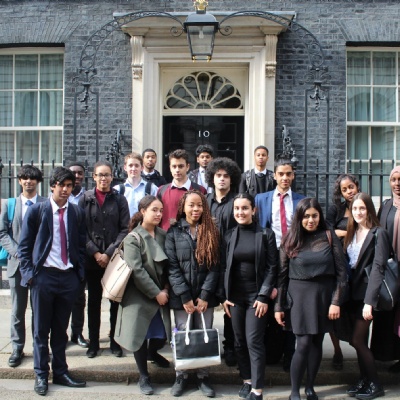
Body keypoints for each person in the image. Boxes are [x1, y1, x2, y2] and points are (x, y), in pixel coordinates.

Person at [18, 167, 87, 396]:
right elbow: (25, 247)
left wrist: (79, 275)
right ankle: (40, 374)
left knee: (60, 330)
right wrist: (30, 276)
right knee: (40, 329)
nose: (66, 190)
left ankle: (60, 371)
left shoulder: (76, 212)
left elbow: (80, 244)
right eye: (62, 185)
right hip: (44, 277)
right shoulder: (38, 210)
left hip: (67, 278)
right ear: (52, 186)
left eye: (69, 186)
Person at [275, 198, 347, 400]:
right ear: (299, 217)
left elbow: (342, 274)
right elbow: (281, 277)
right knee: (304, 343)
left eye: (315, 215)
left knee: (317, 343)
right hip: (298, 296)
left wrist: (335, 301)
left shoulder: (328, 236)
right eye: (306, 216)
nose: (311, 220)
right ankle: (294, 391)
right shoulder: (289, 240)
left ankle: (310, 387)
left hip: (323, 297)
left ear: (320, 216)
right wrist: (278, 305)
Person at [220, 193, 278, 400]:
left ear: (254, 210)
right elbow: (223, 267)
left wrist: (263, 296)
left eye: (245, 208)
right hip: (235, 297)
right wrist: (223, 296)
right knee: (238, 341)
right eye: (237, 208)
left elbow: (273, 267)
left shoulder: (265, 234)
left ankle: (257, 389)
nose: (240, 212)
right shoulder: (228, 235)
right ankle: (246, 380)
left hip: (256, 297)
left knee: (254, 340)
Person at [165, 190, 220, 398]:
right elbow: (172, 267)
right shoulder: (173, 232)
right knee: (182, 334)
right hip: (183, 298)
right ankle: (182, 376)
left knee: (203, 335)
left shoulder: (212, 231)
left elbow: (216, 266)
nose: (195, 209)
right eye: (191, 205)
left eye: (199, 205)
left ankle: (203, 377)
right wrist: (185, 297)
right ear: (183, 207)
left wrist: (205, 295)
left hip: (205, 296)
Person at [114, 195, 171, 395]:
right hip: (139, 294)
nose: (158, 214)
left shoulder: (164, 235)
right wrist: (156, 293)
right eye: (154, 210)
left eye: (161, 210)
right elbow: (136, 270)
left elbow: (169, 267)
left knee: (161, 335)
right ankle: (143, 376)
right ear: (143, 211)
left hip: (160, 293)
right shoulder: (133, 238)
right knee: (140, 335)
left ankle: (152, 353)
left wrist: (165, 289)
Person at [255, 158, 305, 371]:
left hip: (293, 255)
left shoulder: (302, 200)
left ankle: (289, 352)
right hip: (270, 255)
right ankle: (271, 349)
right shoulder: (261, 199)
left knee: (290, 301)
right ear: (274, 175)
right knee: (270, 298)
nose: (285, 178)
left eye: (289, 174)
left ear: (293, 176)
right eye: (281, 174)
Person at [79, 161, 130, 359]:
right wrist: (94, 252)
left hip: (114, 259)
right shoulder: (85, 199)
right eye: (100, 175)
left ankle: (115, 341)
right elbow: (80, 230)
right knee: (93, 303)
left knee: (115, 303)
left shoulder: (119, 199)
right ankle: (93, 343)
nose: (104, 178)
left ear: (112, 177)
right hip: (92, 261)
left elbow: (125, 229)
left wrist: (108, 252)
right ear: (94, 177)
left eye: (107, 175)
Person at [343, 192, 389, 400]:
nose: (358, 212)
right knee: (357, 342)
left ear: (369, 209)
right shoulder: (352, 231)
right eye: (355, 209)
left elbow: (378, 268)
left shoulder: (379, 233)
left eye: (362, 208)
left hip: (367, 296)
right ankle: (364, 379)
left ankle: (375, 384)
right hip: (352, 294)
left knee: (358, 340)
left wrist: (369, 303)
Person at [0, 165, 46, 368]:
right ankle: (17, 347)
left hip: (40, 266)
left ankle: (39, 346)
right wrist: (17, 252)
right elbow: (2, 233)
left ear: (38, 181)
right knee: (18, 310)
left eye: (32, 178)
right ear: (19, 181)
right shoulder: (10, 204)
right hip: (17, 265)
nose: (28, 181)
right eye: (24, 178)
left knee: (40, 310)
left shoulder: (46, 204)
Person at [205, 157, 242, 367]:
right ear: (212, 177)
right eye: (218, 175)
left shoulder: (237, 202)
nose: (222, 179)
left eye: (226, 176)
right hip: (208, 262)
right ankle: (205, 345)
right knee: (207, 305)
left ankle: (230, 347)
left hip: (231, 261)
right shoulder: (205, 200)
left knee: (229, 306)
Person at [325, 174, 360, 370]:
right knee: (336, 308)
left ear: (357, 186)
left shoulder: (363, 204)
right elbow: (328, 233)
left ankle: (359, 347)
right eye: (345, 189)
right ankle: (337, 350)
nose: (349, 191)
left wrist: (342, 234)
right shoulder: (335, 209)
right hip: (339, 263)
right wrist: (349, 234)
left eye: (351, 187)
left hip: (359, 265)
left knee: (355, 310)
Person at [371, 166, 400, 372]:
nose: (397, 184)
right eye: (394, 180)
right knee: (389, 312)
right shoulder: (386, 206)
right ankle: (389, 355)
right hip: (391, 269)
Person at [66, 161, 89, 348]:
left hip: (81, 254)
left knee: (79, 298)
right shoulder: (61, 196)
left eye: (80, 173)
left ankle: (77, 332)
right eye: (74, 173)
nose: (77, 176)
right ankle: (61, 333)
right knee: (62, 299)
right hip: (61, 255)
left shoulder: (87, 197)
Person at [157, 149, 206, 231]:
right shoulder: (161, 190)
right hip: (165, 238)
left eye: (181, 166)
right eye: (174, 166)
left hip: (192, 239)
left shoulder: (200, 190)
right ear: (170, 168)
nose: (177, 170)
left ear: (187, 167)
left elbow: (205, 217)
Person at [115, 152, 158, 217]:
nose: (133, 168)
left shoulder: (152, 188)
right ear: (125, 168)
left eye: (136, 165)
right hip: (124, 226)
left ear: (142, 168)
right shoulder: (117, 190)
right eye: (130, 165)